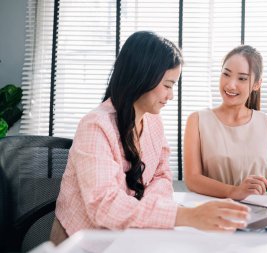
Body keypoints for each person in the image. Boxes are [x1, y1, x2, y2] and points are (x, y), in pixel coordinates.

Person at [50, 31, 250, 245]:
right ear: (141, 77)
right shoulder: (96, 126)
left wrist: (153, 208)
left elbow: (162, 175)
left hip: (130, 238)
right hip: (85, 243)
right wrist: (185, 216)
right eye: (167, 85)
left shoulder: (153, 121)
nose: (171, 95)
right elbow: (105, 206)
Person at [184, 45, 267, 201]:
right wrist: (234, 191)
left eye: (242, 78)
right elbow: (192, 179)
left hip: (264, 209)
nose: (230, 85)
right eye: (226, 74)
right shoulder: (197, 120)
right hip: (217, 209)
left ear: (257, 84)